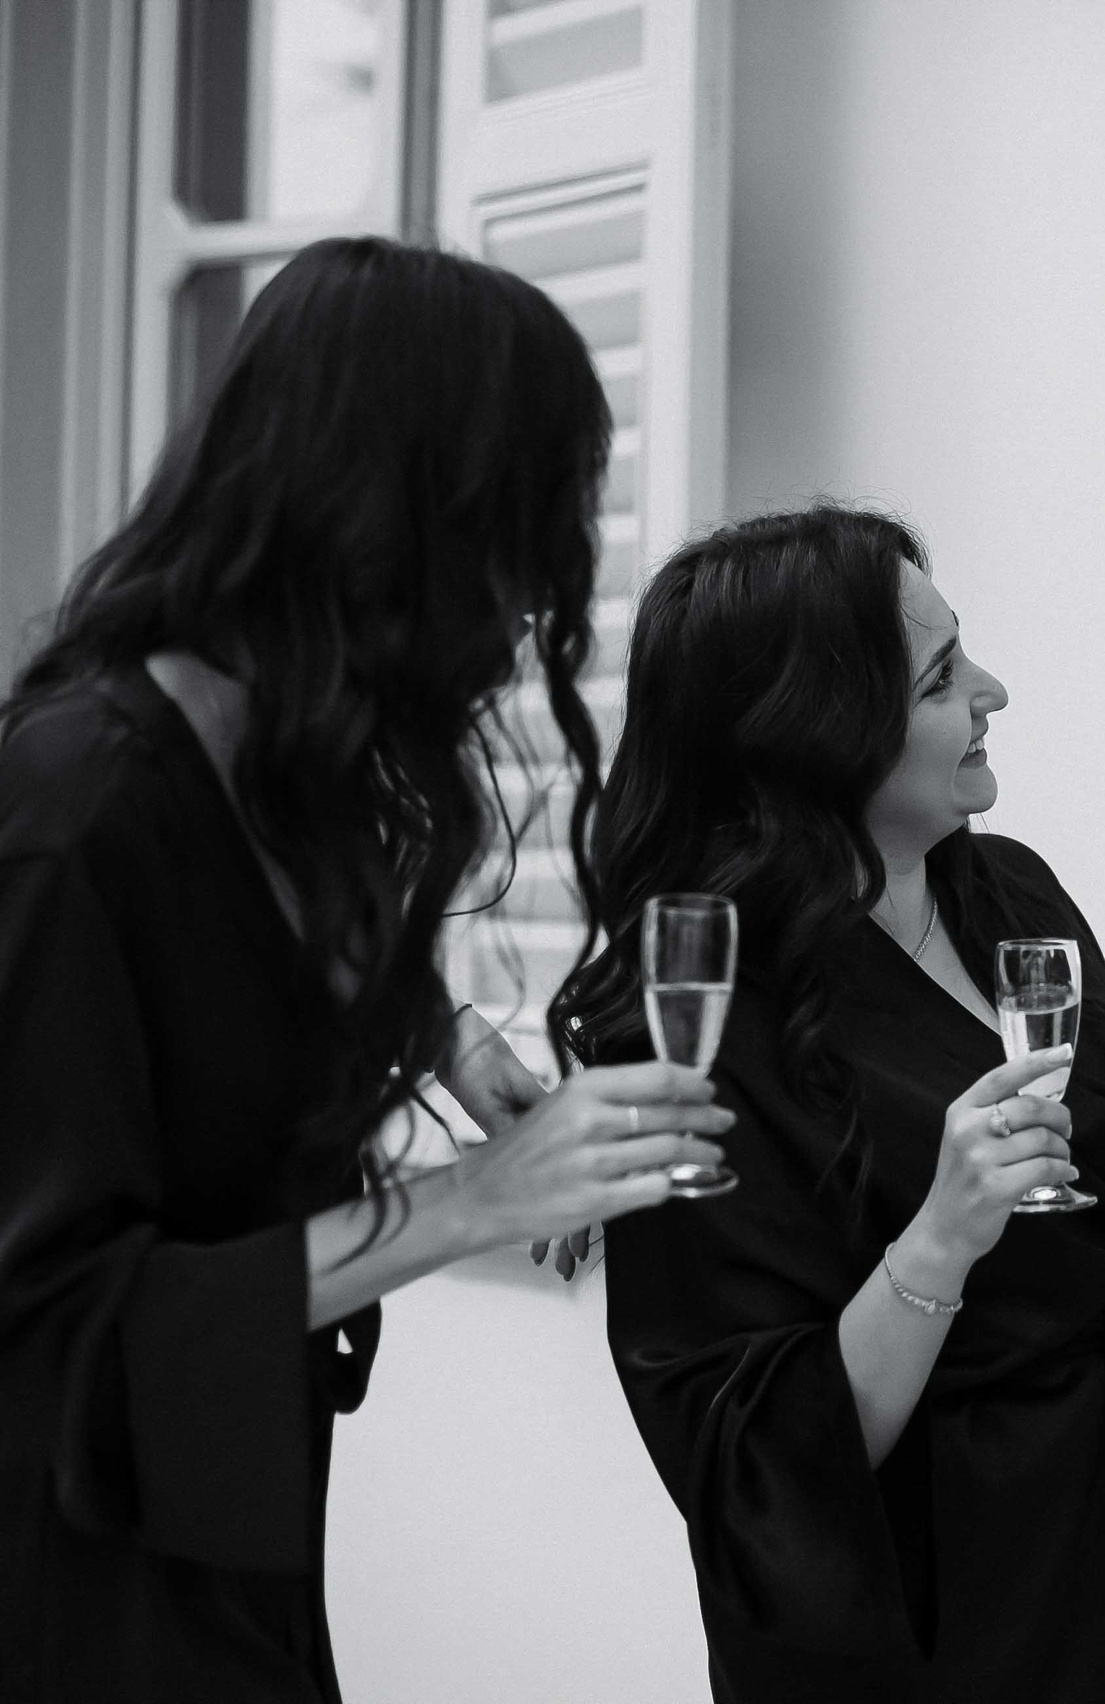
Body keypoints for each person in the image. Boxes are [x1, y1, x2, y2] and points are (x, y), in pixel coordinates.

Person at [0, 237, 734, 1704]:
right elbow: (48, 1323)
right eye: (515, 538)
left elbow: (226, 983)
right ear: (388, 518)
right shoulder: (70, 812)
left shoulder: (259, 779)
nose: (530, 606)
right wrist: (474, 1204)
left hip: (233, 1535)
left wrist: (440, 1036)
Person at [553, 504, 1105, 1703]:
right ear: (815, 737)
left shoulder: (1016, 896)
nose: (994, 691)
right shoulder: (688, 1029)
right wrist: (942, 1236)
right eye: (940, 678)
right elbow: (754, 1463)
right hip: (929, 1630)